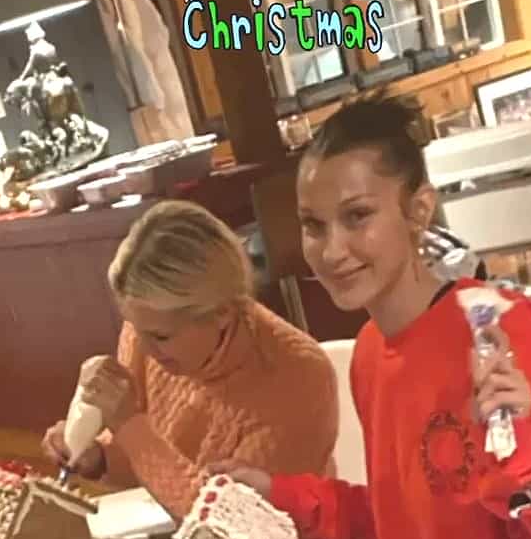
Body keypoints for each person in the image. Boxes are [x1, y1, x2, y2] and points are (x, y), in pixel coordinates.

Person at [210, 96, 531, 539]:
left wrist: (521, 453)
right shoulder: (371, 354)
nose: (332, 250)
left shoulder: (498, 327)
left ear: (418, 210)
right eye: (314, 225)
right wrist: (279, 492)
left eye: (358, 217)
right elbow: (400, 533)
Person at [42, 200, 337, 518]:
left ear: (222, 312)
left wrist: (128, 424)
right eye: (136, 329)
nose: (145, 349)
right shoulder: (147, 329)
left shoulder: (298, 376)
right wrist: (98, 457)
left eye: (161, 337)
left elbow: (233, 523)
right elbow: (149, 463)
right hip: (180, 532)